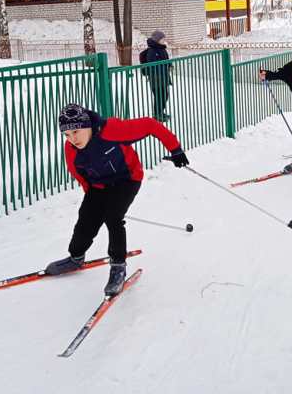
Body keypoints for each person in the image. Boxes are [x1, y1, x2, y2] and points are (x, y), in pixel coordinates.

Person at [45, 103, 188, 296]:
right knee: (86, 218)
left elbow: (151, 124)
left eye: (76, 132)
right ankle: (76, 257)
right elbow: (78, 174)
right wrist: (92, 198)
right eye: (67, 135)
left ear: (88, 125)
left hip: (127, 180)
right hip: (98, 186)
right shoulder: (71, 149)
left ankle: (118, 266)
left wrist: (176, 150)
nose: (72, 139)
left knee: (113, 217)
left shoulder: (113, 130)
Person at [143, 30, 172, 121]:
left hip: (163, 76)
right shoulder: (152, 51)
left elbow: (166, 59)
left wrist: (169, 65)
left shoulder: (162, 48)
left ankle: (160, 112)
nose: (164, 40)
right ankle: (157, 115)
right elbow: (151, 64)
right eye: (162, 39)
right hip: (156, 78)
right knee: (159, 96)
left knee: (164, 95)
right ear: (157, 40)